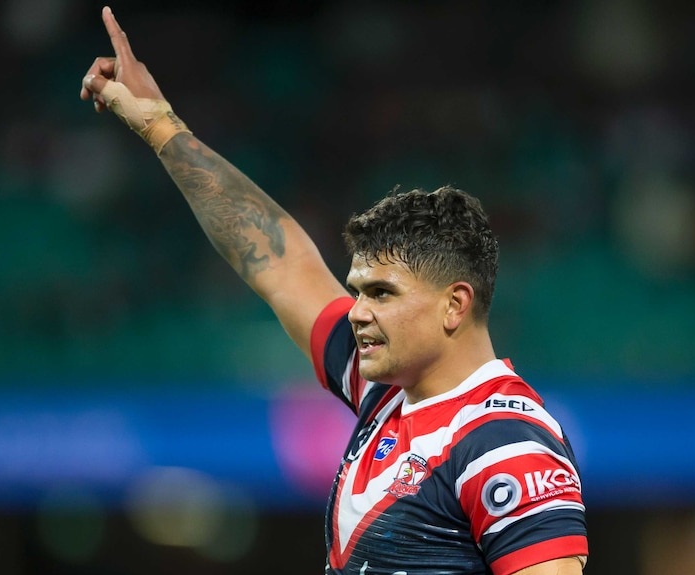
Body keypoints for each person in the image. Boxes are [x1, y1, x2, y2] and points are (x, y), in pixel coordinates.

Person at [80, 7, 588, 575]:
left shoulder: (504, 442)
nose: (359, 313)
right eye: (357, 291)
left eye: (383, 294)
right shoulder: (386, 396)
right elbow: (279, 262)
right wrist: (160, 126)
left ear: (455, 304)